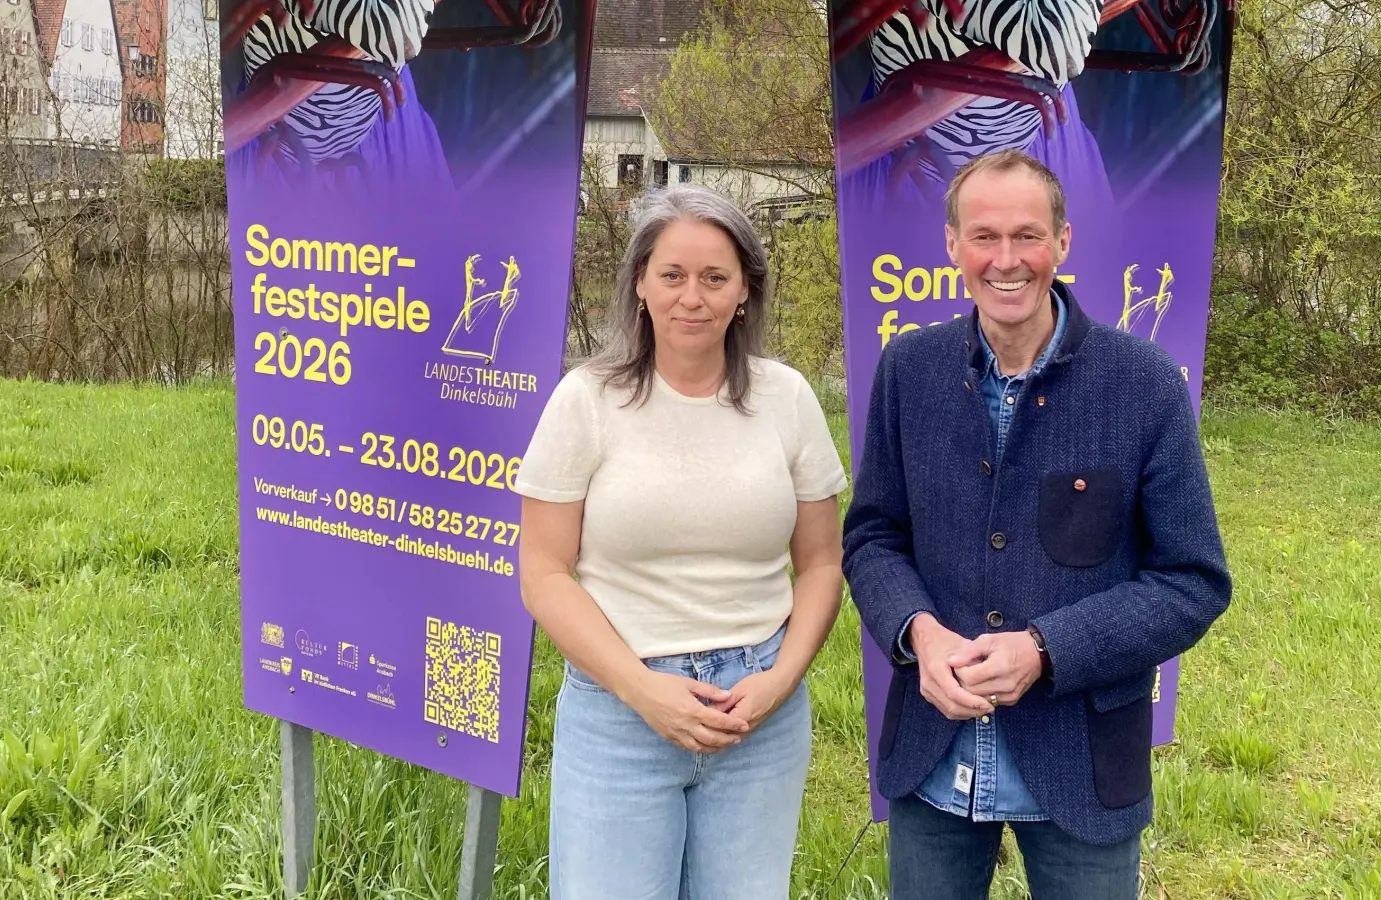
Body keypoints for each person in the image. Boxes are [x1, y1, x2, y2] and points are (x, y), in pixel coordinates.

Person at [842, 149, 1231, 899]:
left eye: (1027, 235)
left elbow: (1192, 581)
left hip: (1083, 760)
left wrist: (1045, 651)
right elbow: (872, 537)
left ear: (1063, 243)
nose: (1006, 259)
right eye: (984, 237)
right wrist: (918, 633)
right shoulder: (909, 371)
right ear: (952, 245)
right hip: (934, 753)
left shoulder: (1145, 384)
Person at [514, 184, 848, 900]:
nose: (691, 297)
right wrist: (643, 691)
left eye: (714, 278)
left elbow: (822, 563)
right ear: (640, 285)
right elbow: (544, 573)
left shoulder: (787, 399)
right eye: (672, 275)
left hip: (760, 715)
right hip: (620, 711)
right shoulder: (586, 400)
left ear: (743, 293)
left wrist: (778, 682)